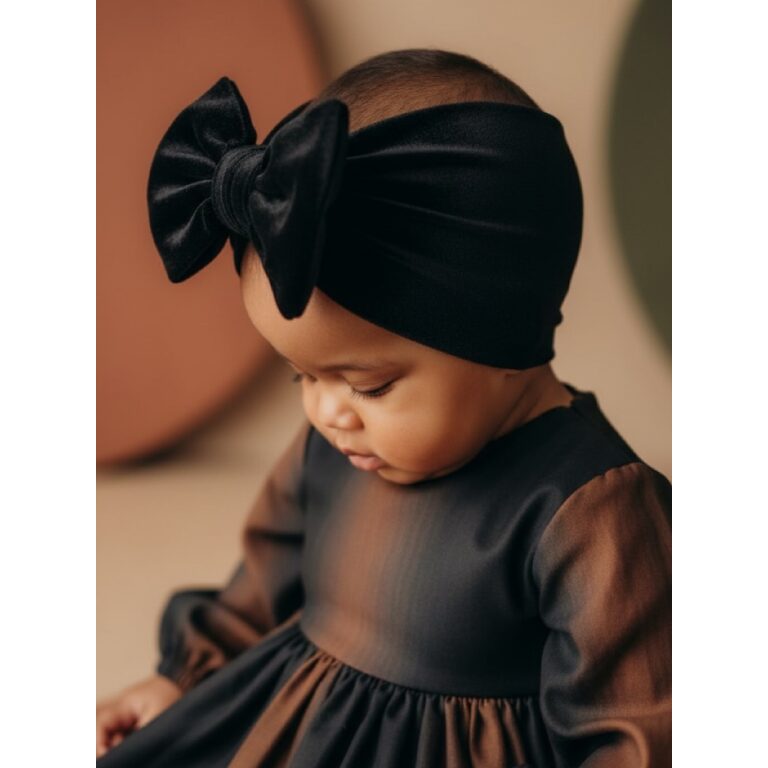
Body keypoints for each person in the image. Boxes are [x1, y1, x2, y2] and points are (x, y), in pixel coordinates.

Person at [96, 49, 672, 767]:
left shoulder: (590, 508)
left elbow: (637, 723)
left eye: (368, 385)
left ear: (503, 336)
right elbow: (260, 585)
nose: (327, 411)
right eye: (301, 376)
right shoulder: (334, 445)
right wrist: (180, 678)